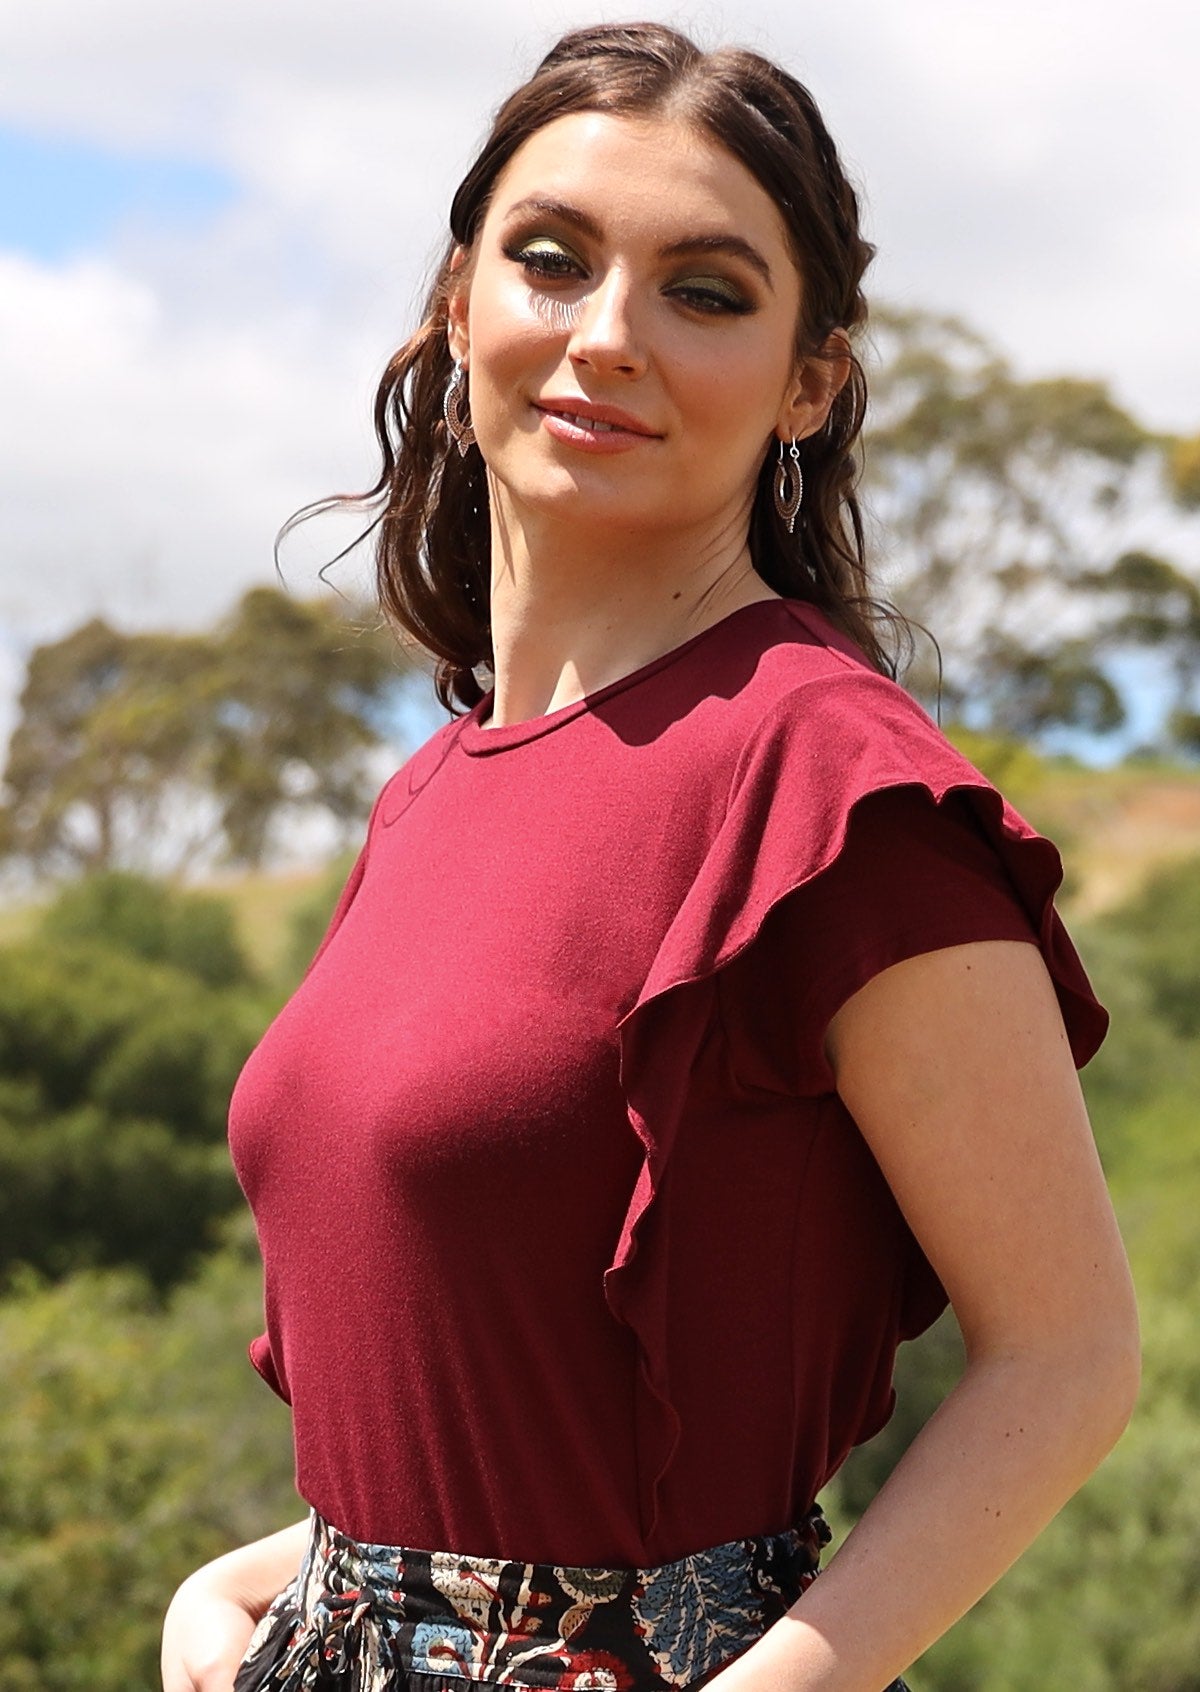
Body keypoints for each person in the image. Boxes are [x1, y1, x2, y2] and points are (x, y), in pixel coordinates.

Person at [161, 21, 1139, 1692]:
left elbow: (1067, 1354)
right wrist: (252, 1584)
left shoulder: (834, 786)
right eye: (550, 261)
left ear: (809, 381)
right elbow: (489, 1418)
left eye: (703, 291)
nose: (605, 334)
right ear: (461, 302)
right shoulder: (426, 795)